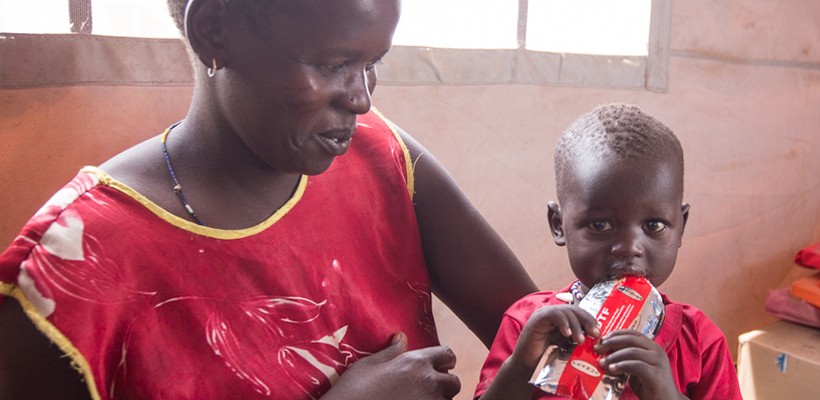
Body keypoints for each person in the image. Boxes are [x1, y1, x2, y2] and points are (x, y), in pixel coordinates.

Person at [0, 0, 537, 398]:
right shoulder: (73, 268)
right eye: (332, 65)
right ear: (214, 31)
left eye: (375, 62)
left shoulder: (381, 159)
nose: (361, 96)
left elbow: (545, 340)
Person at [474, 103, 741, 399]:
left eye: (654, 224)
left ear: (681, 226)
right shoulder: (528, 326)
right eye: (600, 224)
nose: (629, 248)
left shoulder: (700, 342)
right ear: (559, 225)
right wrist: (522, 366)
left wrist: (669, 395)